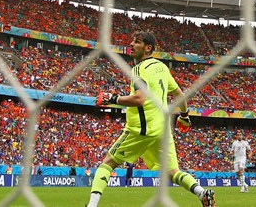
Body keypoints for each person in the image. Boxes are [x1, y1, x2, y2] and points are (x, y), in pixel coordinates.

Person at [86, 31, 215, 207]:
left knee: (107, 164)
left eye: (137, 42)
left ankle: (91, 205)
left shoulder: (138, 69)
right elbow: (180, 96)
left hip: (141, 129)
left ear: (148, 48)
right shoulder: (162, 68)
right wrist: (185, 117)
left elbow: (139, 99)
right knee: (172, 172)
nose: (131, 44)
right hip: (162, 130)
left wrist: (113, 99)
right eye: (132, 41)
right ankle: (202, 193)